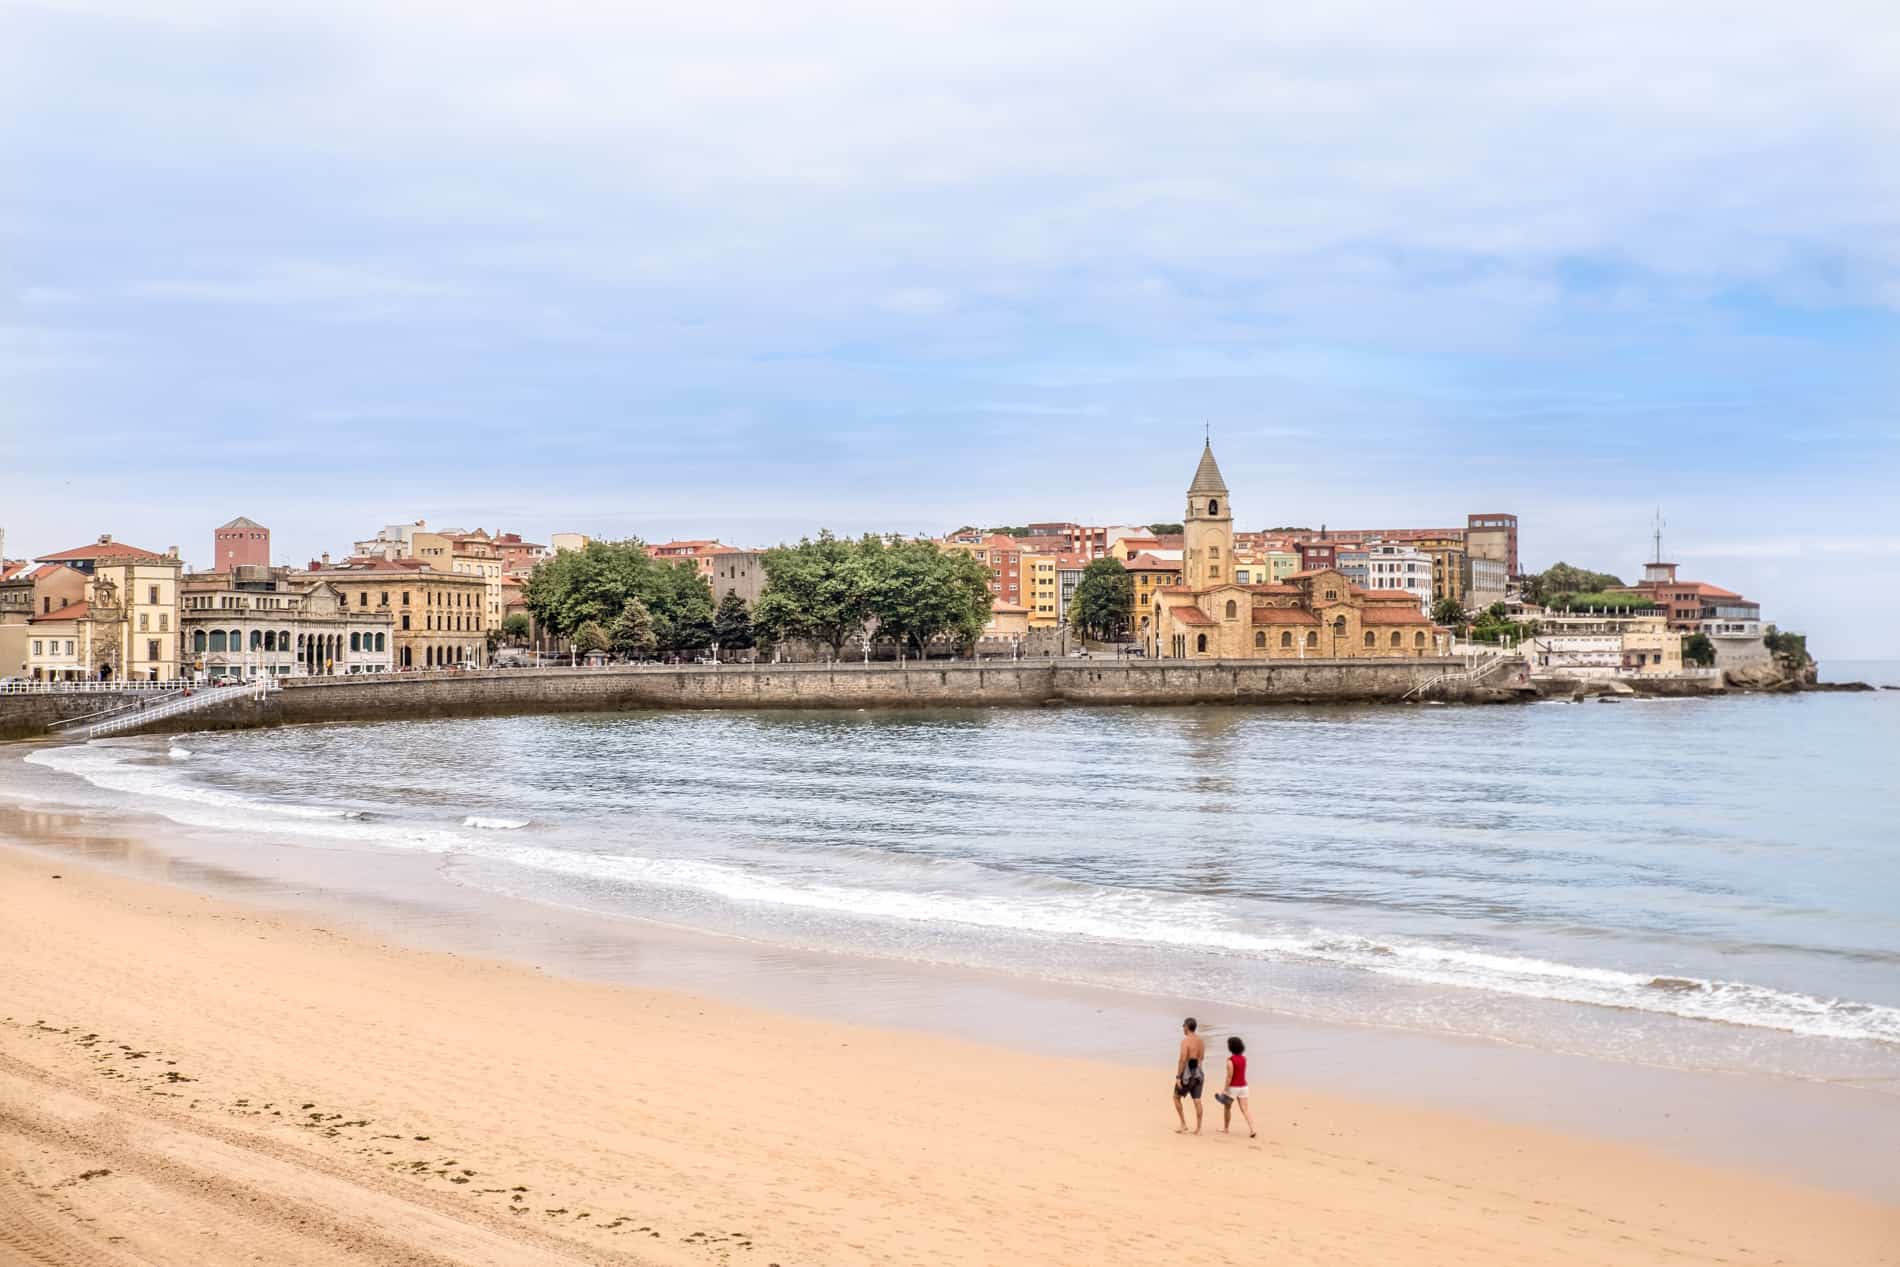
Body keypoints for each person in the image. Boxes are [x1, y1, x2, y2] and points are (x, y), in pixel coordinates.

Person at [1217, 1035, 1256, 1138]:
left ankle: (1226, 1129)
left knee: (1227, 1107)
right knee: (1245, 1109)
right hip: (1244, 1087)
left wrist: (1224, 1090)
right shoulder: (1244, 1059)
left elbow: (1229, 1076)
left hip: (1233, 1088)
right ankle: (1252, 1129)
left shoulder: (1230, 1060)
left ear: (1231, 1047)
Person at [1172, 1017, 1205, 1134]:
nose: (1183, 1028)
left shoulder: (1185, 1041)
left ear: (1187, 1027)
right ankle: (1199, 1129)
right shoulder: (1201, 1041)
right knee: (1197, 1100)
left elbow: (1182, 1059)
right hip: (1199, 1073)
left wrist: (1178, 1077)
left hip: (1187, 1073)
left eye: (1183, 1026)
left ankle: (1183, 1124)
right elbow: (1201, 1058)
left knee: (1176, 1097)